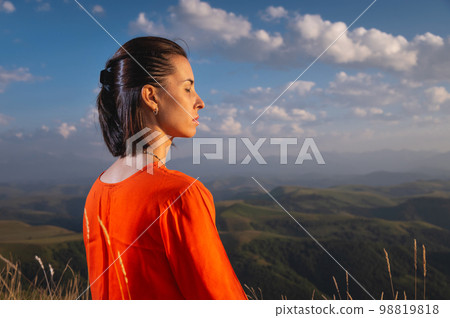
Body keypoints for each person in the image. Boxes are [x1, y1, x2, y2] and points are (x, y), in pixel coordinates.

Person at [83, 36, 248, 300]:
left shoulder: (97, 192)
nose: (200, 102)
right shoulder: (180, 195)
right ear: (151, 96)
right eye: (187, 88)